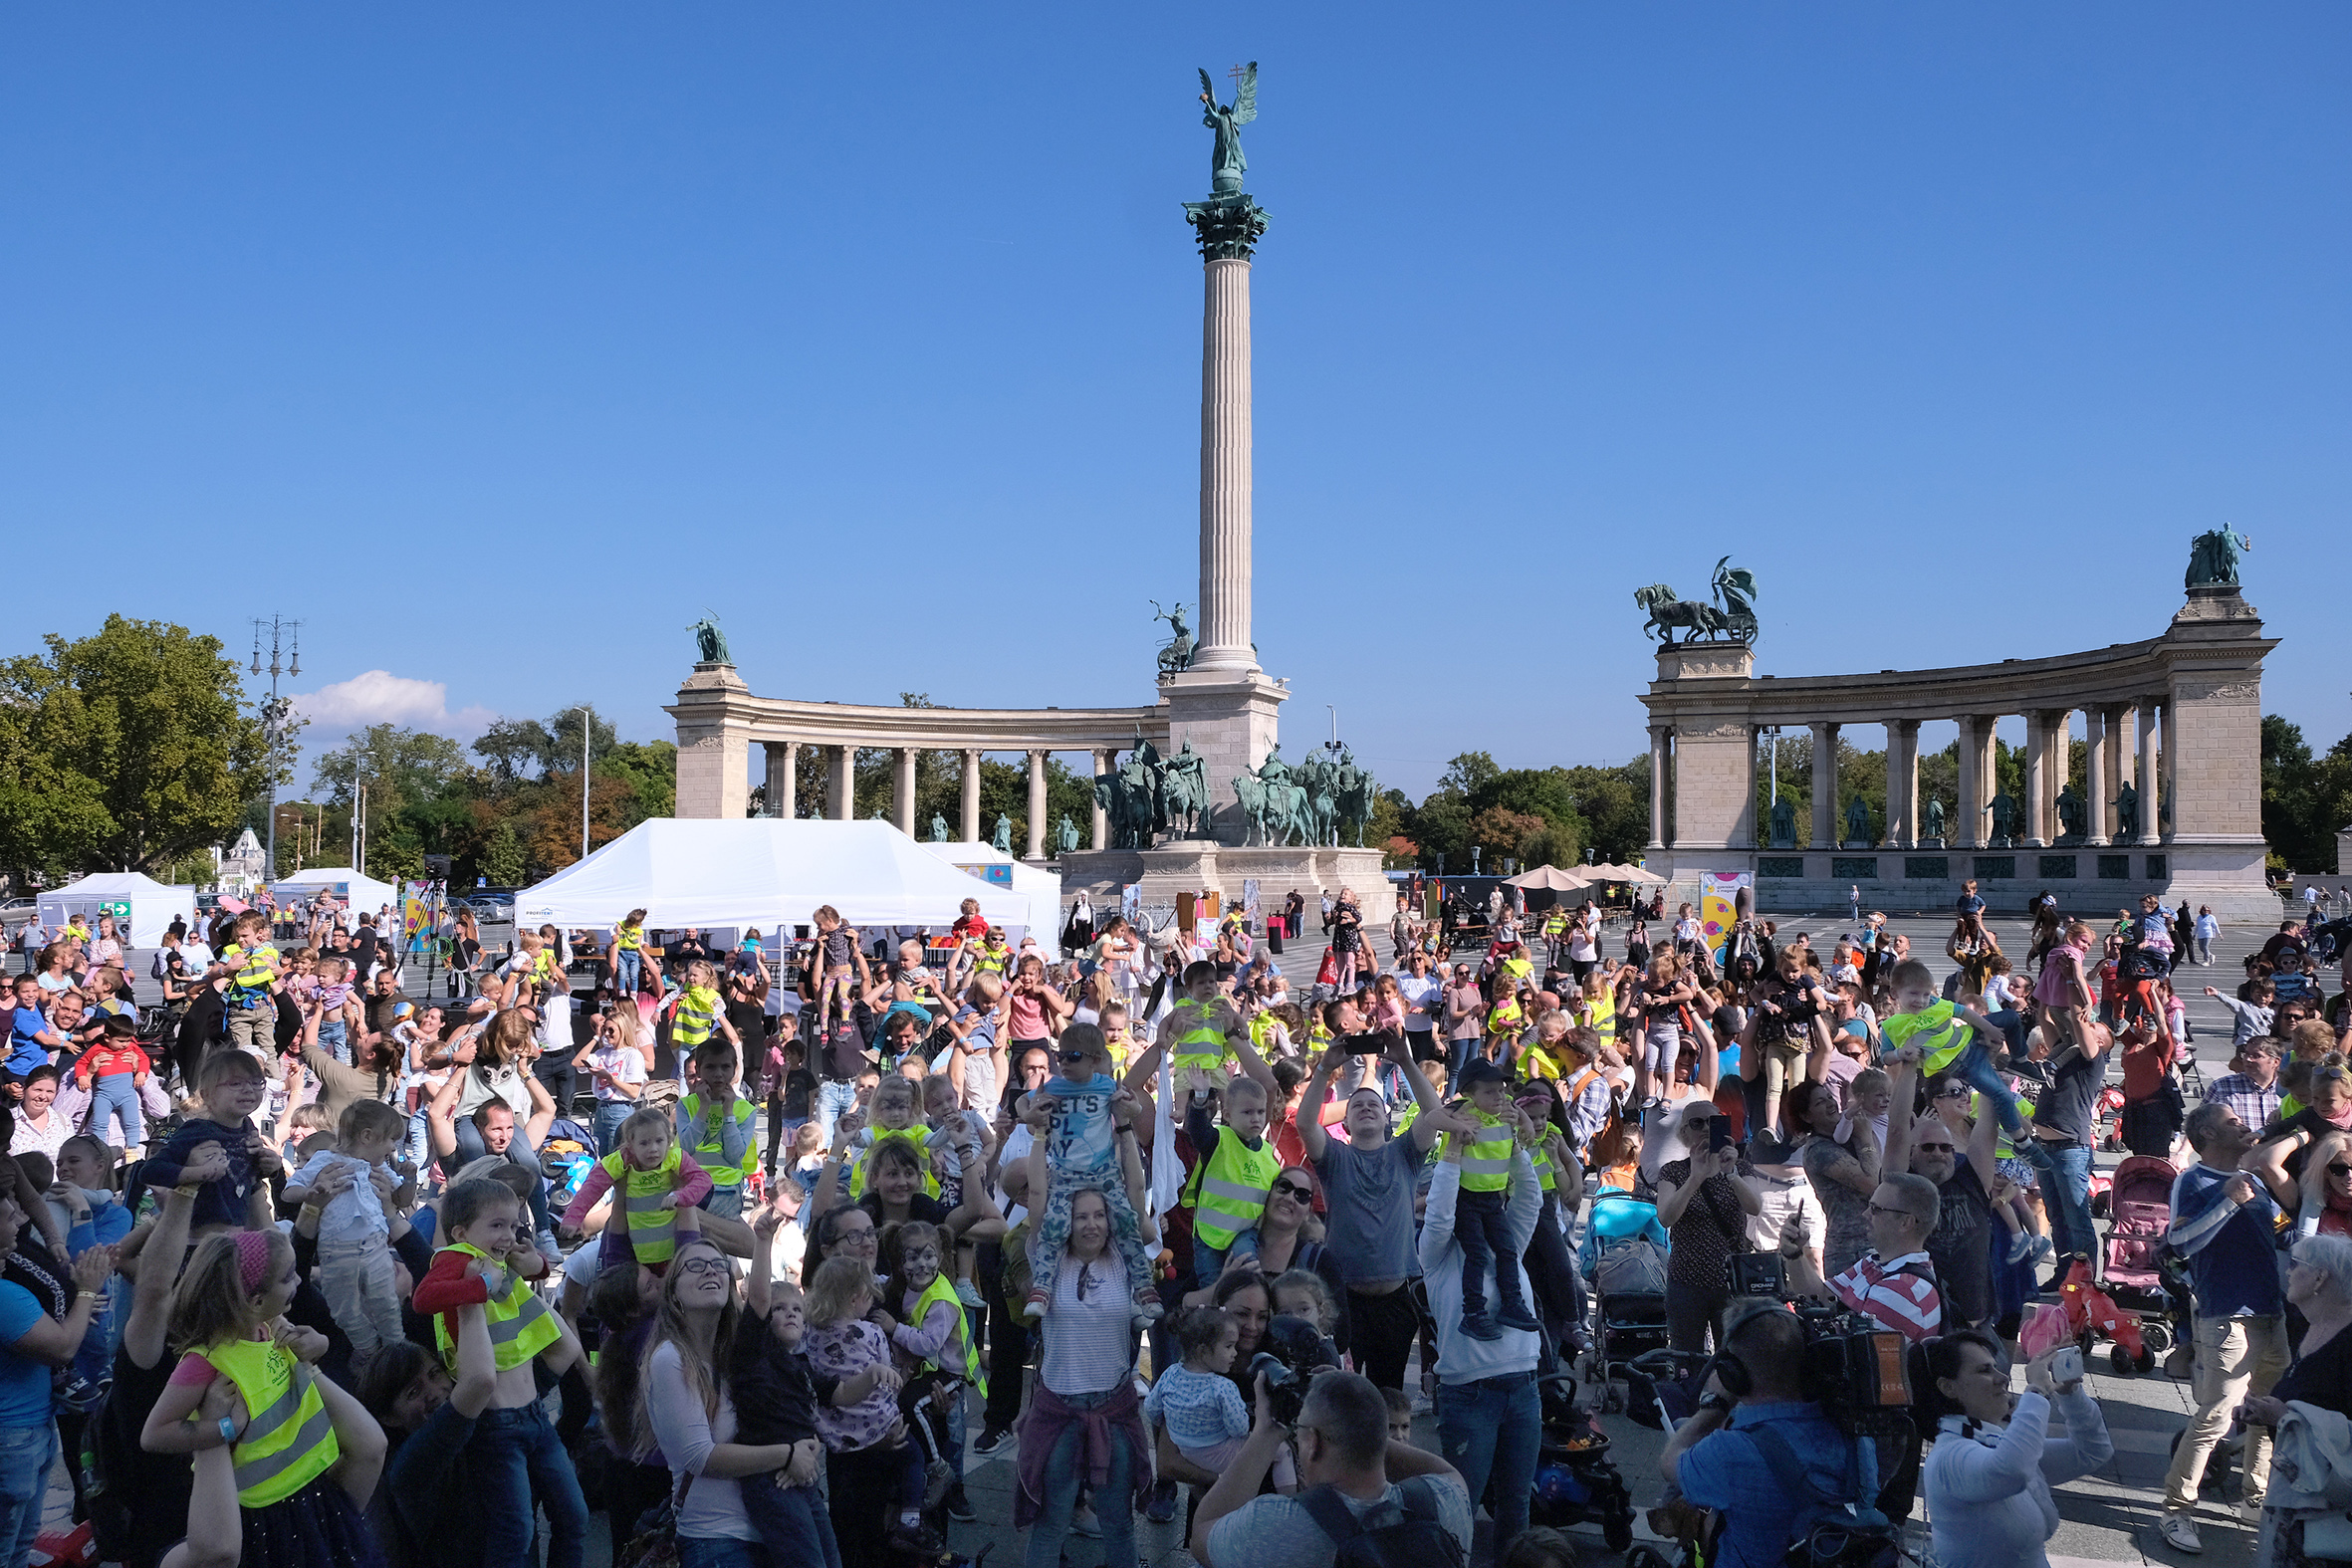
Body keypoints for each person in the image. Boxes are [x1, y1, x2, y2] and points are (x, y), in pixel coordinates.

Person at [134, 1228, 387, 1568]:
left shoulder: (266, 1324)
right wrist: (224, 1428)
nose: (299, 1281)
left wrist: (320, 1346)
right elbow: (154, 1434)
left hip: (312, 1491)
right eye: (288, 1277)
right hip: (265, 1516)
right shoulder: (205, 1362)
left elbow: (302, 1357)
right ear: (254, 1301)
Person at [639, 1233, 835, 1568]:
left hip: (772, 1525)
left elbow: (789, 1409)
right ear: (673, 1292)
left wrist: (805, 1447)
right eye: (696, 1267)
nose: (711, 1272)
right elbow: (700, 1457)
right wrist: (786, 1455)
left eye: (719, 1266)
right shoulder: (669, 1358)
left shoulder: (738, 1355)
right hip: (718, 1540)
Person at [2159, 1100, 2289, 1552]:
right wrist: (2228, 1200)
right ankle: (2177, 1510)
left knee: (2265, 1411)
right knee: (2217, 1414)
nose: (2244, 1126)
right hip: (2227, 1314)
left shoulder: (2254, 1180)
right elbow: (2179, 1241)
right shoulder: (2191, 1180)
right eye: (2233, 1122)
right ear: (2208, 1136)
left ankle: (2257, 1498)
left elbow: (2282, 1230)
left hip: (2271, 1311)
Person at [1295, 1025, 1454, 1390]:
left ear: (1387, 1121)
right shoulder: (1334, 1158)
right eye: (1357, 1106)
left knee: (1387, 1394)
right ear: (1346, 1122)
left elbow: (1433, 1111)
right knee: (1343, 1396)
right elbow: (1305, 1122)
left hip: (1395, 1302)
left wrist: (1405, 1061)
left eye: (1374, 1106)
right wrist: (1324, 1068)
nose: (1366, 1108)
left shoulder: (1405, 1153)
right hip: (1344, 1300)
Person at [1193, 1369, 1472, 1568]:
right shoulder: (1445, 1502)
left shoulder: (1272, 1525)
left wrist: (1265, 1432)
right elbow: (1447, 1471)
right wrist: (1362, 1416)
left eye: (1299, 1432)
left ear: (1313, 1443)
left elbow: (1203, 1532)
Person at [1417, 1108, 1542, 1549]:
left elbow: (1531, 1199)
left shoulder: (1511, 1241)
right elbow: (1439, 1217)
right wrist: (1453, 1153)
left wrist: (1516, 1143)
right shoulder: (1435, 1255)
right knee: (1462, 1506)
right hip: (1469, 1395)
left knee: (1516, 1504)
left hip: (1525, 1389)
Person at [1659, 1303, 1859, 1568]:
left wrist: (1717, 1405)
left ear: (1733, 1374)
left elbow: (1669, 1462)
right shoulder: (1847, 1430)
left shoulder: (1728, 1451)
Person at [1016, 1186, 1151, 1568]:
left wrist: (1124, 1132)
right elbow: (1039, 1203)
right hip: (1061, 1411)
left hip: (1115, 1409)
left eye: (1099, 1215)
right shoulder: (1048, 1259)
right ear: (1065, 1222)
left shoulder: (1126, 1259)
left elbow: (1139, 1203)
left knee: (1119, 1524)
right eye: (1080, 1216)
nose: (1091, 1224)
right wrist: (1041, 1133)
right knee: (1051, 1524)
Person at [1918, 1330, 2113, 1568]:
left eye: (1996, 1367)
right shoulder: (1948, 1458)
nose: (2003, 1378)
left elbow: (2093, 1452)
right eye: (1984, 1370)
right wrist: (2037, 1393)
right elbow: (2012, 1470)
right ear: (1948, 1387)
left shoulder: (1993, 1441)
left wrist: (2070, 1394)